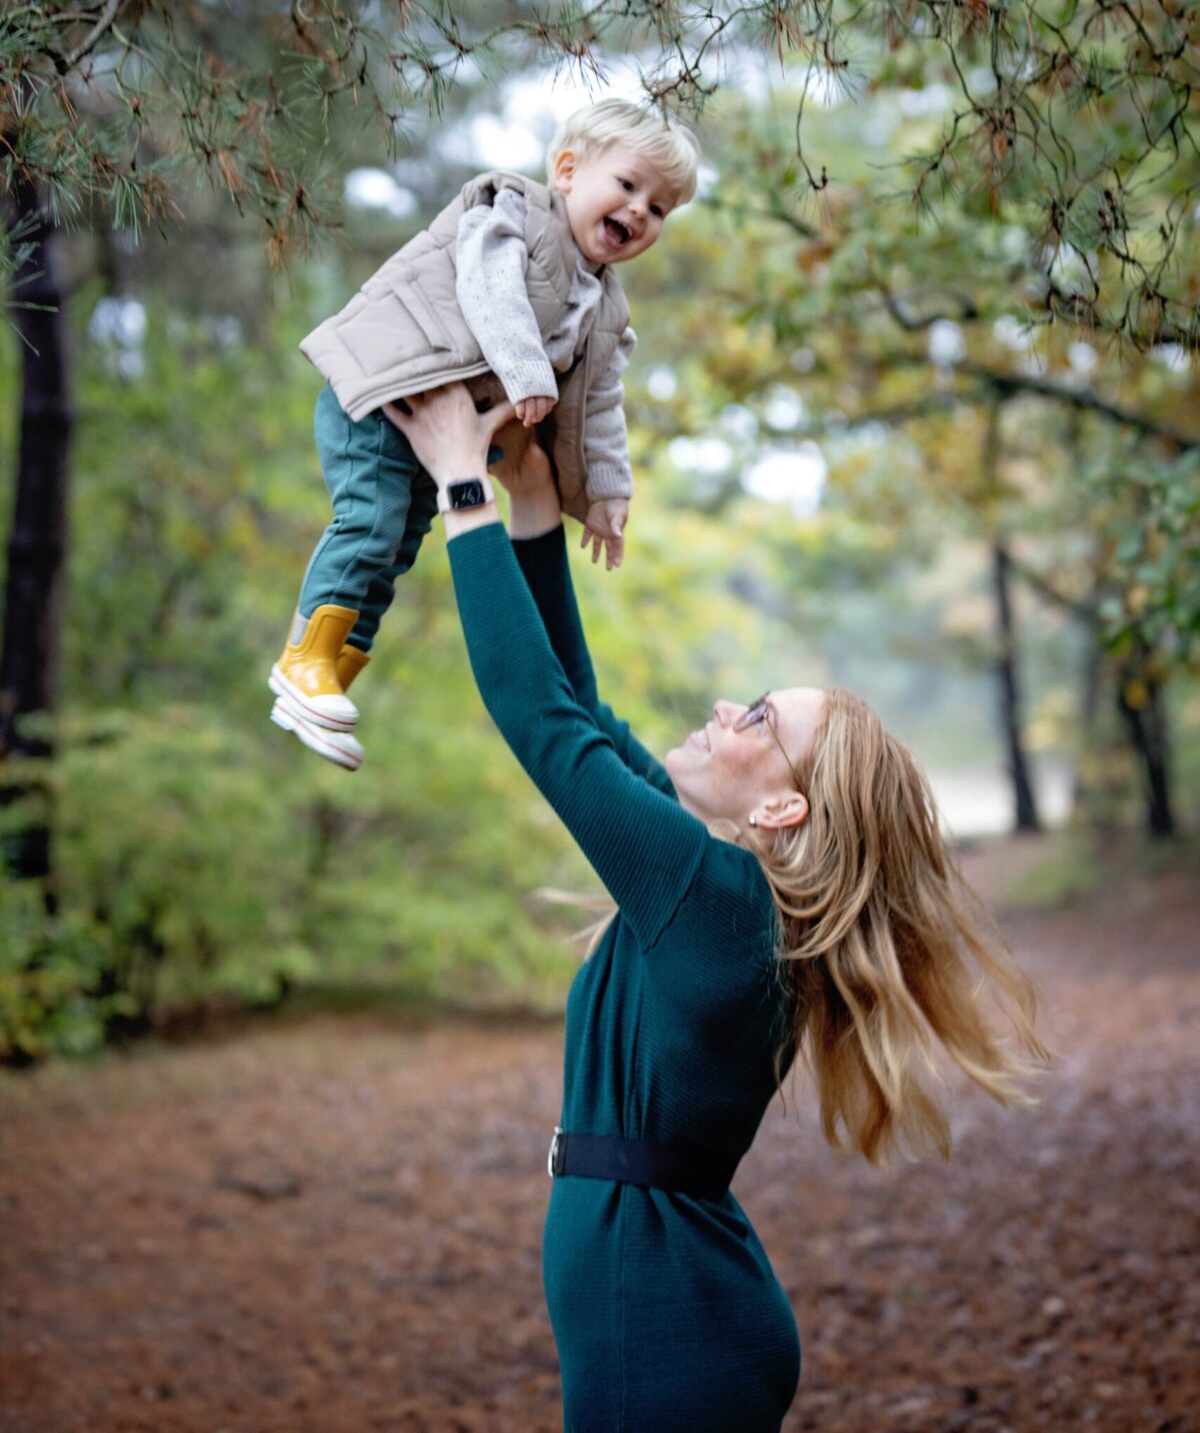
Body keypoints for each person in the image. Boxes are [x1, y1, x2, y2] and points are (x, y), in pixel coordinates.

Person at [391, 382, 1050, 1433]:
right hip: (673, 1312)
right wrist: (529, 503)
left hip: (668, 1327)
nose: (719, 710)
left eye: (755, 717)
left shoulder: (716, 902)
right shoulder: (722, 891)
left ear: (784, 805)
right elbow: (575, 707)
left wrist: (460, 482)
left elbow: (536, 719)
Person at [268, 99, 699, 769]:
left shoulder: (608, 304)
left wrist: (609, 491)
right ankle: (304, 660)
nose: (642, 210)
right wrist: (527, 371)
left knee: (399, 545)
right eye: (628, 185)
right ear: (566, 171)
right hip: (389, 393)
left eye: (661, 207)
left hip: (437, 433)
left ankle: (332, 674)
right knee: (372, 524)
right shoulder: (515, 213)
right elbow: (486, 283)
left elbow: (602, 401)